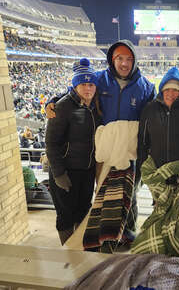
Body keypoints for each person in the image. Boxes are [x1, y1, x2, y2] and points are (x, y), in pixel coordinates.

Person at [46, 40, 155, 250]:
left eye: (129, 59)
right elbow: (76, 90)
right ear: (112, 60)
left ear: (135, 60)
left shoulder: (146, 87)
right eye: (119, 58)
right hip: (103, 153)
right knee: (104, 197)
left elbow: (155, 115)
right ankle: (104, 238)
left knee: (129, 198)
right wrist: (52, 101)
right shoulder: (99, 80)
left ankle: (127, 237)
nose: (124, 63)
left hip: (130, 153)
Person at [45, 58, 102, 245]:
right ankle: (67, 251)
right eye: (83, 84)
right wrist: (59, 173)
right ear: (75, 86)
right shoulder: (62, 107)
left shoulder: (95, 106)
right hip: (66, 171)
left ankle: (78, 247)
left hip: (86, 171)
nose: (88, 89)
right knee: (65, 215)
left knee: (83, 212)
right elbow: (51, 143)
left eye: (91, 84)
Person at [137, 66, 179, 190]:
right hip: (157, 175)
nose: (170, 94)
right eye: (167, 89)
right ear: (162, 90)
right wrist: (145, 168)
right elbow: (142, 143)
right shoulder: (149, 109)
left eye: (175, 90)